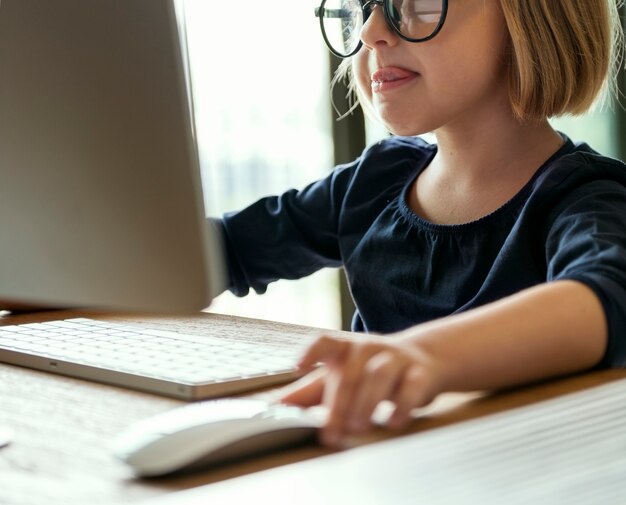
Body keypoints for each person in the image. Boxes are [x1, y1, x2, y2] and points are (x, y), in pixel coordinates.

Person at [216, 0, 626, 447]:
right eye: (360, 8)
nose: (372, 31)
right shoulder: (376, 180)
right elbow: (222, 250)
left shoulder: (586, 196)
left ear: (528, 19)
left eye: (418, 4)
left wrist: (420, 355)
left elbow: (604, 300)